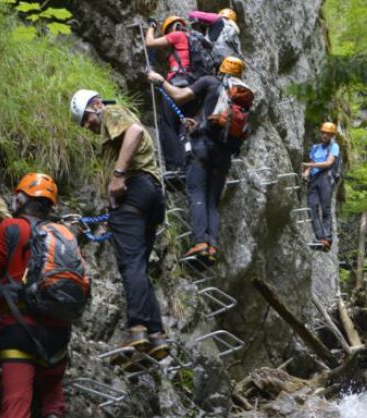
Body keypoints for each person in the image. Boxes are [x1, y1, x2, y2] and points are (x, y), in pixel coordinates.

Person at [69, 89, 169, 361]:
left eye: (86, 119)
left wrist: (118, 174)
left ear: (95, 105)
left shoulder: (109, 110)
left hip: (135, 190)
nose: (88, 126)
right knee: (139, 265)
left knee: (130, 264)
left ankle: (136, 329)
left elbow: (135, 131)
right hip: (151, 195)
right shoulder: (113, 116)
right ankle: (156, 334)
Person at [0, 173, 70, 418]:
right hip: (58, 333)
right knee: (52, 375)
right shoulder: (62, 233)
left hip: (18, 330)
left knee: (16, 405)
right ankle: (53, 411)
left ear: (21, 198)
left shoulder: (10, 227)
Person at [147, 56, 250, 260]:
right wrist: (199, 125)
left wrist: (159, 80)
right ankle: (212, 246)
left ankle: (199, 243)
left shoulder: (211, 82)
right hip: (224, 156)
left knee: (197, 193)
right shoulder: (243, 98)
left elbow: (179, 96)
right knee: (212, 201)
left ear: (221, 69)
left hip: (203, 149)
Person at [145, 15, 196, 173]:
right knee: (184, 125)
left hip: (178, 83)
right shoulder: (191, 40)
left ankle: (175, 167)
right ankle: (188, 165)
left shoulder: (178, 35)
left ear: (173, 27)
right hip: (192, 87)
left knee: (167, 123)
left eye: (167, 31)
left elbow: (150, 43)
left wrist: (152, 26)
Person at [302, 122, 340, 252]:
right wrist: (306, 172)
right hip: (314, 179)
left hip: (327, 179)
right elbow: (312, 161)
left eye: (328, 134)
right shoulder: (315, 147)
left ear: (331, 135)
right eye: (323, 133)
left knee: (325, 209)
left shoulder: (334, 147)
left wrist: (308, 166)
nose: (325, 135)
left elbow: (329, 163)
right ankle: (320, 238)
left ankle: (327, 239)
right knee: (311, 207)